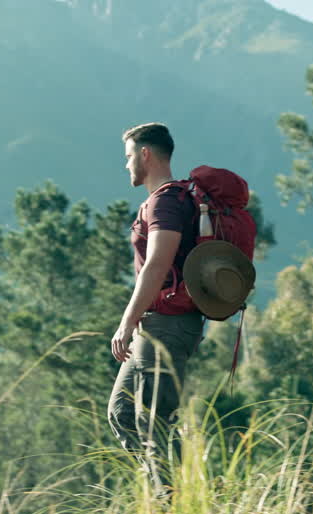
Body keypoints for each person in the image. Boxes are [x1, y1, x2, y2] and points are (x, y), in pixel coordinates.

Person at [107, 122, 204, 493]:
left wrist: (126, 322)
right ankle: (163, 495)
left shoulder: (166, 200)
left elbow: (157, 263)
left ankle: (174, 512)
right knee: (124, 413)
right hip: (158, 324)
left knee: (153, 421)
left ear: (145, 154)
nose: (127, 165)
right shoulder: (166, 200)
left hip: (167, 324)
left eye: (129, 156)